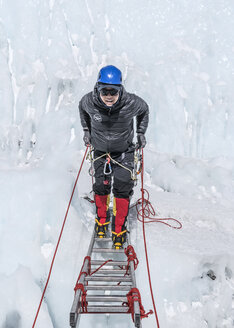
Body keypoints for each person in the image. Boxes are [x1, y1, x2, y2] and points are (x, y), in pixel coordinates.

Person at [79, 65, 149, 249]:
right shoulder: (89, 101)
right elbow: (82, 109)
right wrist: (86, 130)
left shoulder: (131, 103)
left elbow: (144, 110)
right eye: (105, 91)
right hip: (100, 152)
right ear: (98, 88)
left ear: (120, 90)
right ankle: (102, 220)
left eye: (113, 91)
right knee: (101, 188)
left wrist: (141, 133)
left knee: (122, 189)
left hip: (124, 152)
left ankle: (119, 228)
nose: (109, 95)